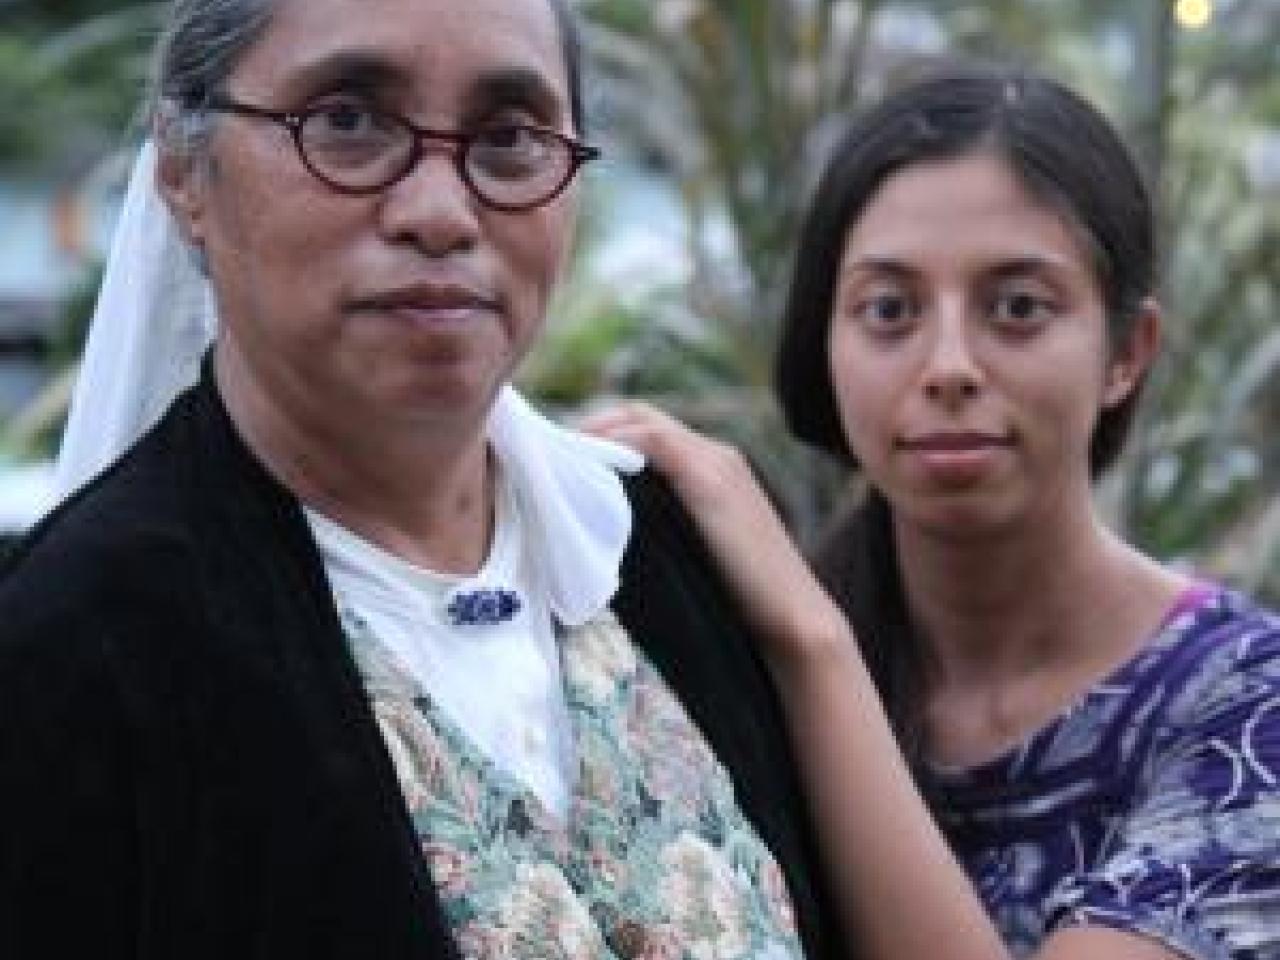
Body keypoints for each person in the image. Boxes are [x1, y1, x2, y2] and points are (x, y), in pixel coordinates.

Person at [0, 1, 844, 957]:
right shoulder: (76, 652)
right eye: (348, 122)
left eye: (512, 138)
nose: (441, 214)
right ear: (185, 171)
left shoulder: (654, 546)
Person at [585, 66, 1280, 960]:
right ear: (825, 340)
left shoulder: (1247, 709)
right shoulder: (709, 670)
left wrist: (812, 645)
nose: (948, 363)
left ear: (1127, 352)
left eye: (1018, 308)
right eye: (888, 310)